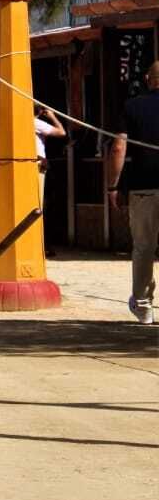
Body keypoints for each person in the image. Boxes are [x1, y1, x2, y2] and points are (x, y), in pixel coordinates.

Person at [107, 61, 159, 324]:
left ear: (149, 79)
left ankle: (144, 307)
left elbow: (119, 147)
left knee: (144, 247)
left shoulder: (132, 106)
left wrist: (113, 185)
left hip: (143, 187)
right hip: (144, 186)